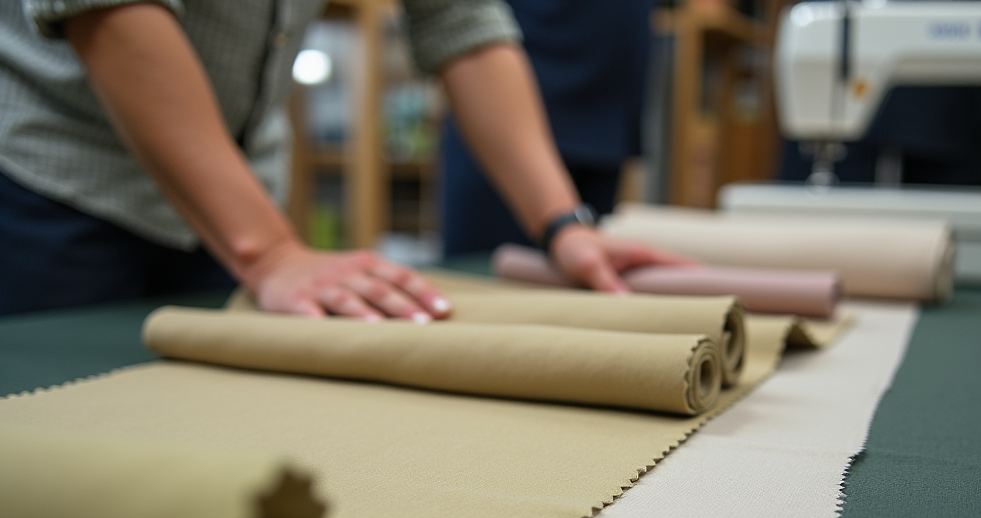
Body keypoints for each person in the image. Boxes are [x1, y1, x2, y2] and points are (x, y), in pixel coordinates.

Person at [0, 0, 687, 318]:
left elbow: (461, 25)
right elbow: (111, 8)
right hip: (48, 180)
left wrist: (562, 226)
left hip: (233, 197)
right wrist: (266, 250)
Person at [440, 0, 654, 257]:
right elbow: (454, 18)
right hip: (508, 89)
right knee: (489, 267)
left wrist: (566, 227)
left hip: (607, 100)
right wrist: (561, 223)